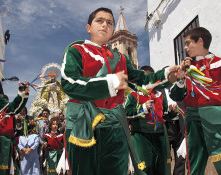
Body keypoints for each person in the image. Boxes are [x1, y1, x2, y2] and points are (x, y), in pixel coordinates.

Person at [61, 7, 183, 175]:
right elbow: (69, 83)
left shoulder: (120, 58)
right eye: (100, 21)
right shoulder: (76, 51)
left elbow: (143, 80)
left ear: (112, 30)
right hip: (84, 122)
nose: (105, 25)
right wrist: (110, 82)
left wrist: (167, 75)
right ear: (88, 28)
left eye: (109, 23)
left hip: (115, 125)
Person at [170, 27, 221, 175]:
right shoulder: (187, 67)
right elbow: (176, 96)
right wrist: (181, 78)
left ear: (201, 41)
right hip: (193, 120)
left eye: (188, 43)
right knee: (194, 165)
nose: (185, 47)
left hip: (215, 118)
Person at [125, 66, 173, 175]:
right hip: (142, 136)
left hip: (160, 136)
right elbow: (127, 113)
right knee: (145, 167)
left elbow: (164, 117)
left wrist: (172, 113)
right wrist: (143, 108)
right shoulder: (133, 95)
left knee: (161, 167)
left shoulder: (160, 95)